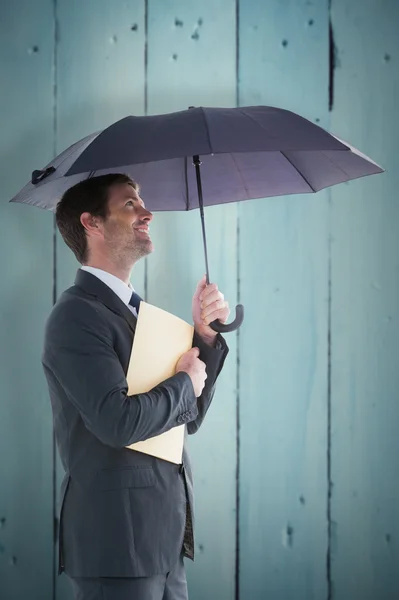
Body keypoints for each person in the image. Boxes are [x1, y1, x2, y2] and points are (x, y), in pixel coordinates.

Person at [42, 173, 230, 600]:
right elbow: (117, 422)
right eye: (130, 204)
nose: (147, 213)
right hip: (116, 543)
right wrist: (184, 382)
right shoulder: (75, 317)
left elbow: (187, 418)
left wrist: (204, 338)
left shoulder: (144, 316)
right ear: (91, 223)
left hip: (163, 541)